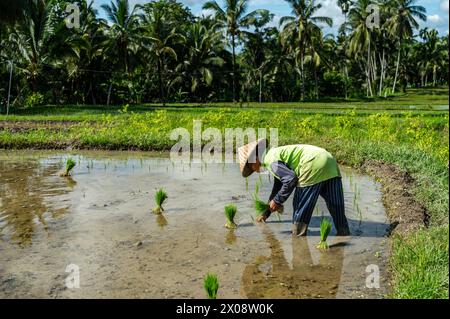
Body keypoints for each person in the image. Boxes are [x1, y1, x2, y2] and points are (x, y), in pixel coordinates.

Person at [238, 138, 350, 236]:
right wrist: (266, 213)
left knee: (300, 209)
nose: (253, 170)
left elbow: (291, 179)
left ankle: (298, 239)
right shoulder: (273, 154)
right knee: (336, 206)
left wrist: (277, 201)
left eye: (250, 167)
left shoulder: (270, 161)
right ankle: (343, 233)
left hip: (311, 164)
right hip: (329, 160)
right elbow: (278, 187)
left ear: (255, 159)